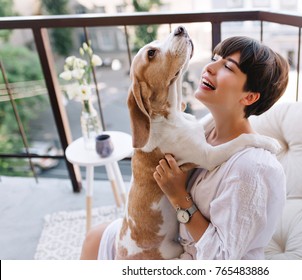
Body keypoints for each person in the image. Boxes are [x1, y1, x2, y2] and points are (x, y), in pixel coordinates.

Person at [80, 36, 289, 260]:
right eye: (215, 58)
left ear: (249, 97)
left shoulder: (253, 169)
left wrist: (180, 197)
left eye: (227, 66)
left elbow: (221, 259)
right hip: (169, 238)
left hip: (196, 258)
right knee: (95, 236)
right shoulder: (207, 130)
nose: (209, 67)